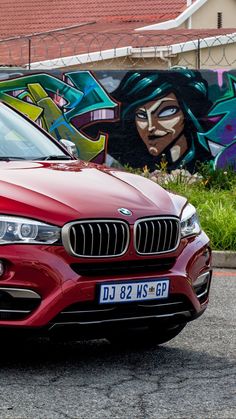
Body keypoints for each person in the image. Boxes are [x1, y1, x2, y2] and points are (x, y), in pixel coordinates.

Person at [107, 70, 213, 172]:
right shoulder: (127, 163)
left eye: (166, 112)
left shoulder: (208, 162)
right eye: (142, 115)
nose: (151, 126)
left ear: (187, 113)